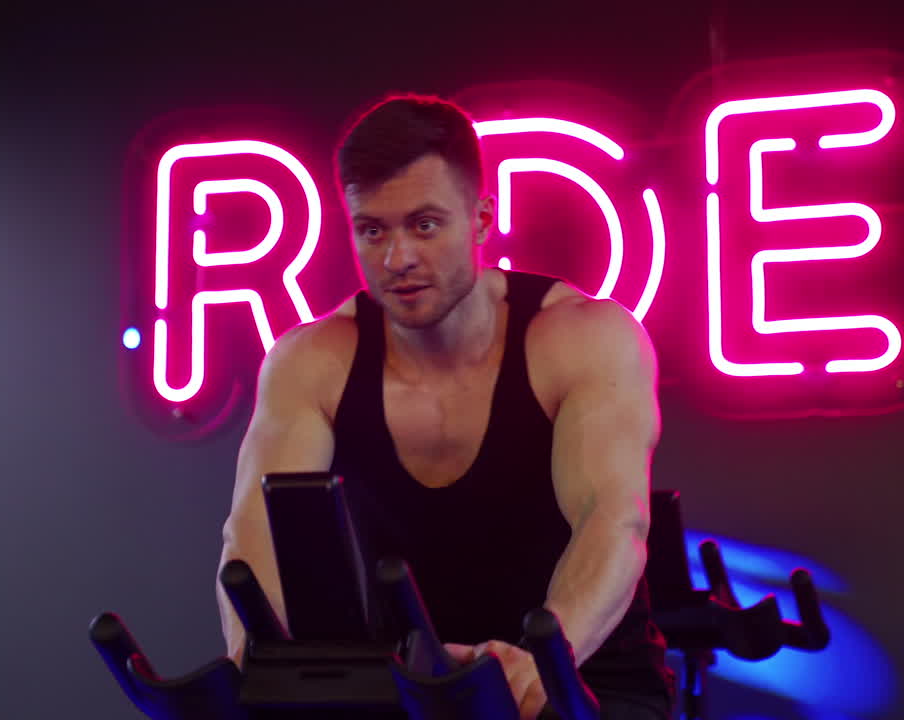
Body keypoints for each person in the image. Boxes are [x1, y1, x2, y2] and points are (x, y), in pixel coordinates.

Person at [215, 95, 675, 719]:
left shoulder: (582, 338)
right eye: (372, 229)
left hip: (585, 681)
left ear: (482, 220)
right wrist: (256, 670)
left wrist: (544, 658)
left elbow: (613, 521)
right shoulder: (312, 362)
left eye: (424, 225)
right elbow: (252, 537)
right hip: (414, 691)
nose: (396, 258)